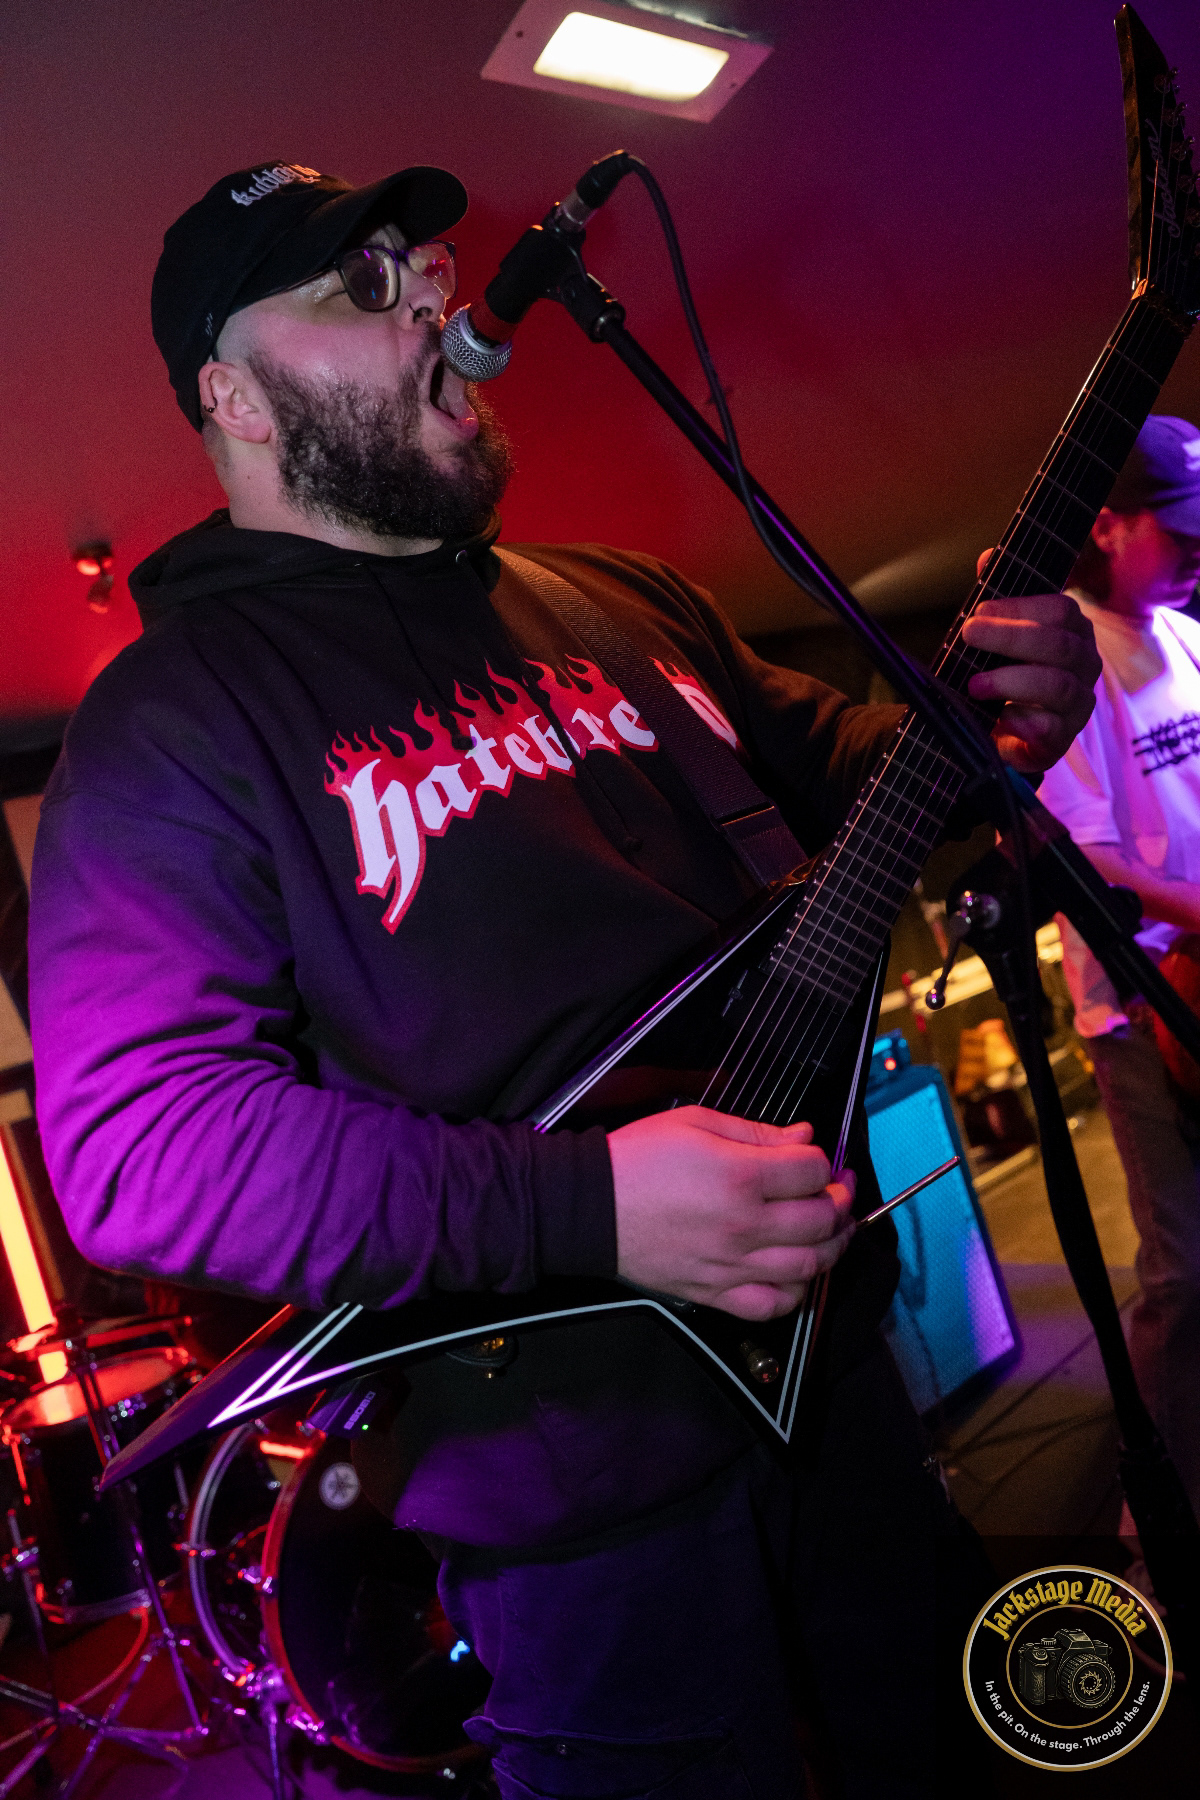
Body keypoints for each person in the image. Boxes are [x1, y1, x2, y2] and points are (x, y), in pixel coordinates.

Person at [27, 162, 1100, 1798]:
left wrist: (1010, 701)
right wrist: (590, 1208)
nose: (432, 289)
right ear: (233, 398)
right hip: (581, 1516)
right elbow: (143, 1153)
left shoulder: (619, 599)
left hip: (840, 1376)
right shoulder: (172, 719)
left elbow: (882, 777)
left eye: (421, 260)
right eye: (358, 282)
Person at [1038, 415, 1200, 1534]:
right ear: (1106, 525)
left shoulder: (1186, 638)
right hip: (1140, 1008)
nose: (1197, 551)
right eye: (1175, 530)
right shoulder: (1065, 664)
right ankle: (1158, 1531)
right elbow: (1087, 862)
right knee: (1184, 1275)